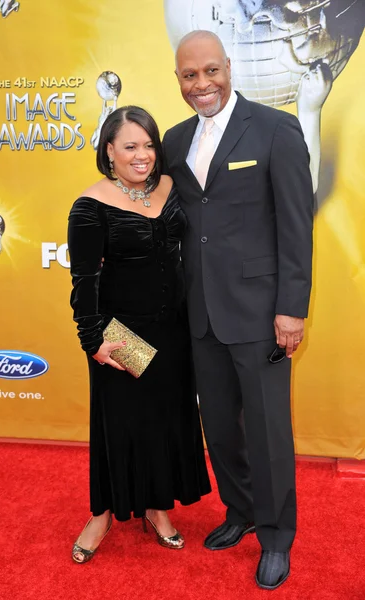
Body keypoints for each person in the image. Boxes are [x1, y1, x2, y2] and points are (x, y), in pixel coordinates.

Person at [163, 31, 313, 590]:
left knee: (269, 432)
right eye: (188, 76)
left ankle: (276, 536)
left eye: (209, 71)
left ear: (229, 66)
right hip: (200, 313)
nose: (201, 84)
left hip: (261, 313)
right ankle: (241, 511)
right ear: (177, 79)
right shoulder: (174, 142)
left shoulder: (276, 129)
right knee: (221, 428)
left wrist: (291, 309)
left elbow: (297, 226)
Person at [67, 105, 211, 564]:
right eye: (130, 146)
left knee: (164, 420)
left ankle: (156, 507)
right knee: (121, 425)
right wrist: (93, 341)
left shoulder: (171, 187)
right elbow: (84, 280)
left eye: (149, 144)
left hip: (175, 329)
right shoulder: (90, 205)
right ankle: (102, 514)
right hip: (121, 333)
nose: (143, 155)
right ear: (109, 150)